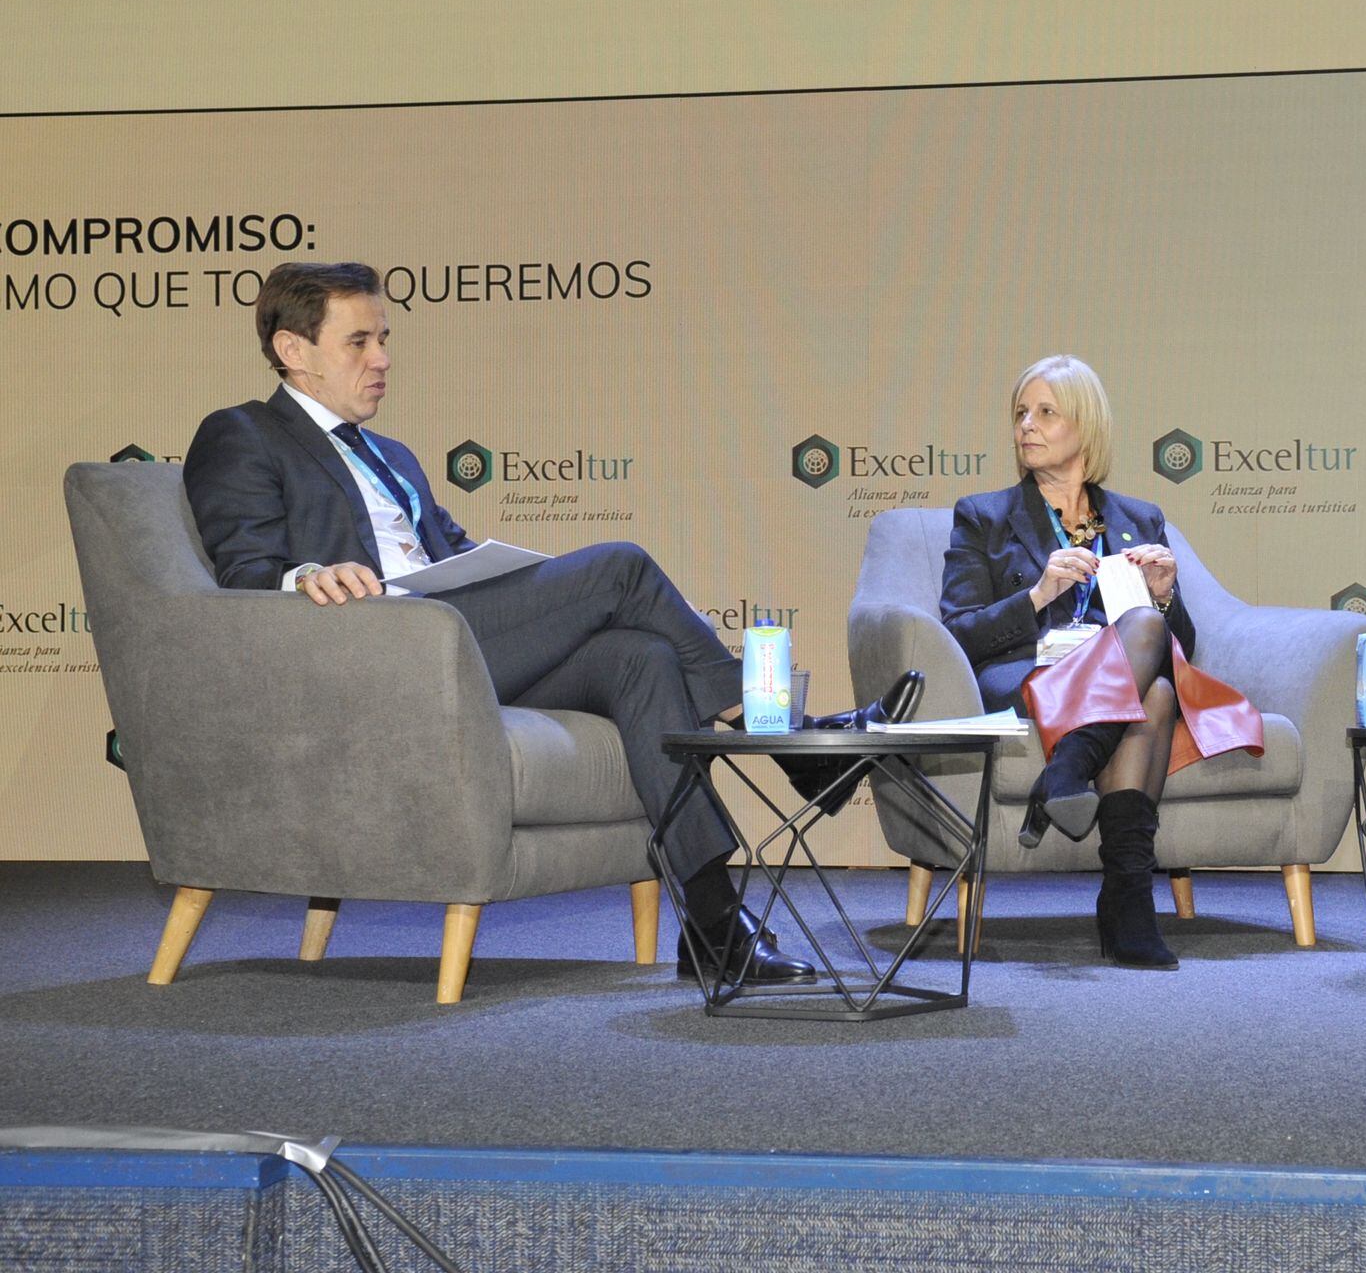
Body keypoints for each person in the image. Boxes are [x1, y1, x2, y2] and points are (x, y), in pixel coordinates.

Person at [182, 261, 921, 987]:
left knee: (640, 657)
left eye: (384, 339)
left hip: (457, 643)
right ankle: (791, 743)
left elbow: (451, 553)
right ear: (293, 349)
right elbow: (243, 570)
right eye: (358, 342)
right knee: (621, 567)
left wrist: (507, 572)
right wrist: (306, 576)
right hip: (383, 661)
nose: (382, 359)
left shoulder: (391, 455)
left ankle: (714, 925)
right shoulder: (243, 433)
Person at [939, 355, 1261, 970]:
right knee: (1146, 669)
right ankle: (1120, 883)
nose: (1026, 425)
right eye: (1021, 413)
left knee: (1157, 682)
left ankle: (1109, 857)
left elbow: (1179, 651)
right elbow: (959, 631)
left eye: (1046, 412)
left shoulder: (1140, 518)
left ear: (1085, 426)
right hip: (1030, 679)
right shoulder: (983, 517)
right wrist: (1037, 596)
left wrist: (1163, 595)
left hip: (1115, 686)